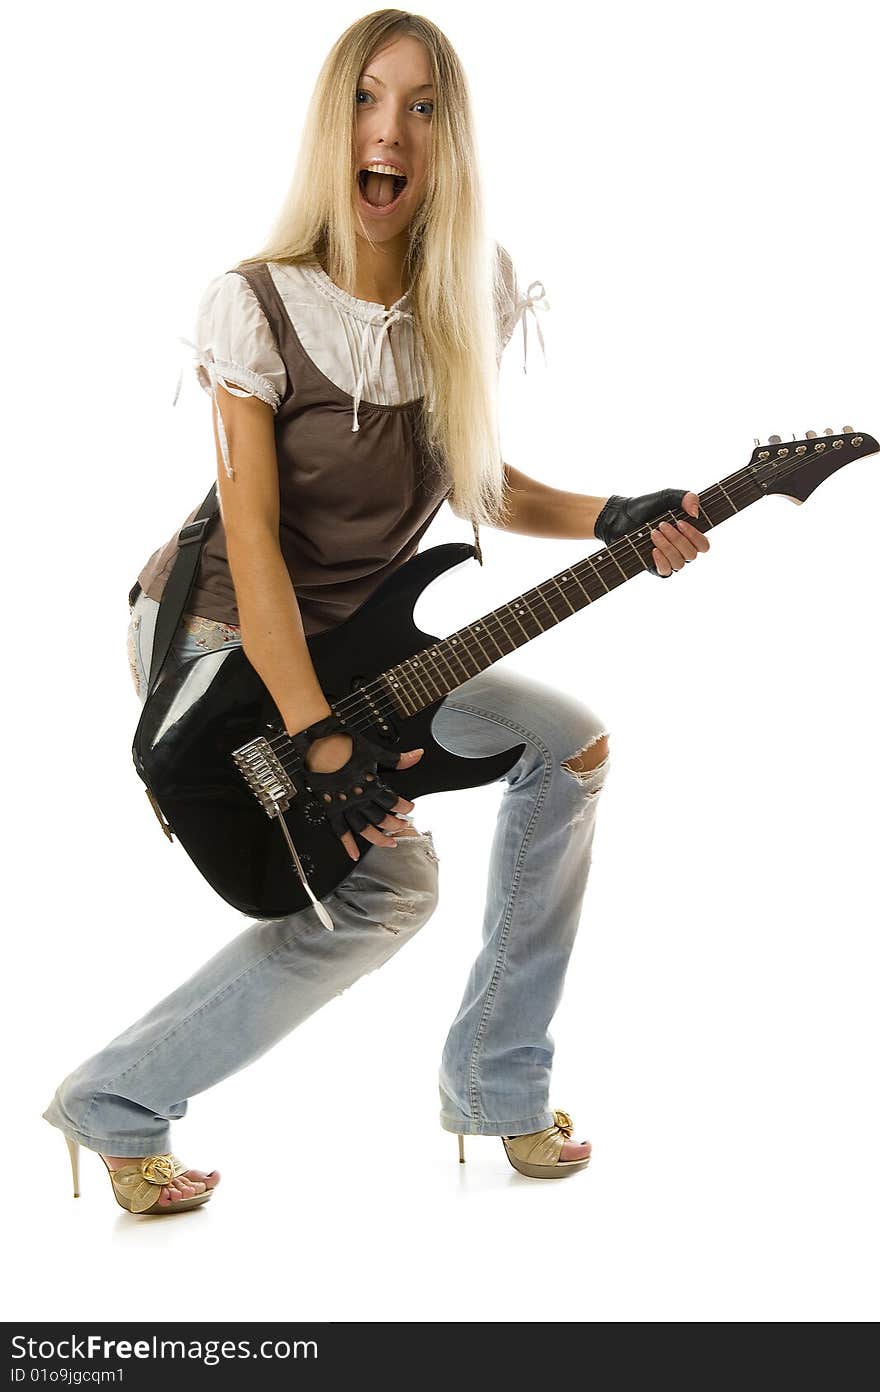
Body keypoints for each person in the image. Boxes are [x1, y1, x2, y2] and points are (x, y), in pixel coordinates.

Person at [42, 9, 710, 1214]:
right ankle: (117, 1100)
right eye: (365, 98)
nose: (388, 131)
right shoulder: (258, 302)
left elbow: (476, 481)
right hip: (218, 640)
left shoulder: (467, 296)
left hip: (357, 635)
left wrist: (621, 513)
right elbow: (249, 542)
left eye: (421, 107)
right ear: (329, 125)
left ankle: (496, 1085)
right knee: (393, 890)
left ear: (447, 143)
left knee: (573, 747)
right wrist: (316, 737)